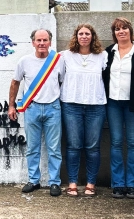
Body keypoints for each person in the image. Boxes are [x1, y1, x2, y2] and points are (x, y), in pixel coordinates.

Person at [8, 29, 65, 197]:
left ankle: (54, 182)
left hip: (53, 108)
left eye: (45, 40)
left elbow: (61, 82)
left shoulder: (58, 61)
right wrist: (11, 106)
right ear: (33, 42)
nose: (42, 43)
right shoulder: (24, 61)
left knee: (54, 148)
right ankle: (33, 180)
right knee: (33, 147)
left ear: (50, 42)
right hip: (32, 108)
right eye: (38, 40)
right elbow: (15, 83)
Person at [101, 17, 134, 200]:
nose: (121, 31)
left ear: (130, 30)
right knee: (115, 142)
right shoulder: (108, 53)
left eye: (124, 28)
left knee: (133, 143)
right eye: (117, 29)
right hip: (113, 103)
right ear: (114, 33)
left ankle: (133, 185)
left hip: (133, 104)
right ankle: (118, 183)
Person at [59, 24, 106, 197]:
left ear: (93, 37)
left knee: (93, 147)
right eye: (81, 34)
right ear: (76, 36)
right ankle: (72, 182)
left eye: (87, 34)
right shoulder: (65, 56)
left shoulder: (102, 56)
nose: (84, 36)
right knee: (73, 146)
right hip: (71, 106)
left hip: (96, 106)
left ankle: (90, 183)